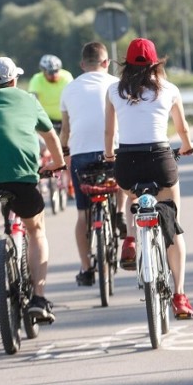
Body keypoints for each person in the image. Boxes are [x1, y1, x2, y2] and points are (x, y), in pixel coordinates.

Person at [0, 57, 66, 322]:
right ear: (14, 80)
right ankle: (38, 298)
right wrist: (58, 163)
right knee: (36, 230)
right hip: (21, 177)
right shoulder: (28, 99)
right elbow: (50, 136)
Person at [104, 38, 193, 319]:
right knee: (173, 224)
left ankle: (131, 238)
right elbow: (182, 128)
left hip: (127, 163)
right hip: (160, 160)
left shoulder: (114, 90)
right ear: (156, 62)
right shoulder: (169, 89)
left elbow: (110, 134)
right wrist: (187, 146)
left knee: (134, 198)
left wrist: (110, 156)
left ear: (126, 63)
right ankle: (179, 296)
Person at [59, 41, 128, 286]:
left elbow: (65, 130)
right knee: (121, 179)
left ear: (82, 65)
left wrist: (64, 152)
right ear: (106, 63)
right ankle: (119, 213)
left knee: (82, 214)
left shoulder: (69, 88)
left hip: (81, 156)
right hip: (113, 149)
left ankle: (86, 268)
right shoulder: (116, 84)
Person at [28, 54, 75, 197]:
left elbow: (73, 98)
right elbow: (32, 100)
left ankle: (70, 183)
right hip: (46, 119)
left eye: (56, 72)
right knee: (40, 146)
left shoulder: (66, 77)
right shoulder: (37, 80)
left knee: (66, 151)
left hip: (64, 118)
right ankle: (42, 178)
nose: (54, 75)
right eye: (50, 73)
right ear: (43, 72)